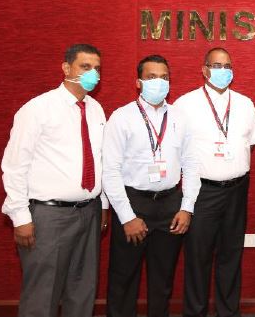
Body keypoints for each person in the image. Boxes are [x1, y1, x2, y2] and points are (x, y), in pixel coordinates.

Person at [0, 43, 109, 317]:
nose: (92, 74)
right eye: (85, 67)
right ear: (66, 68)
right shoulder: (38, 109)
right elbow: (15, 166)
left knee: (82, 290)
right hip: (48, 216)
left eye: (97, 69)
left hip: (89, 212)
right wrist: (20, 217)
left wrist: (103, 202)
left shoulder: (96, 109)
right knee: (43, 295)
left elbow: (99, 159)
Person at [102, 54, 200, 317]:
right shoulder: (121, 118)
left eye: (164, 77)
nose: (159, 82)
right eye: (152, 77)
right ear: (138, 82)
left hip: (171, 204)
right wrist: (127, 217)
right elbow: (110, 172)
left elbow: (191, 165)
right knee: (123, 280)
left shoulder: (181, 117)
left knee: (162, 280)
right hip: (133, 204)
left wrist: (187, 207)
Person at [175, 47, 255, 317]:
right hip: (202, 192)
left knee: (231, 257)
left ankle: (228, 312)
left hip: (237, 190)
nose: (223, 70)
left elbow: (251, 142)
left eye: (227, 65)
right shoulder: (184, 104)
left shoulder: (245, 103)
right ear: (204, 70)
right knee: (197, 259)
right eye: (216, 65)